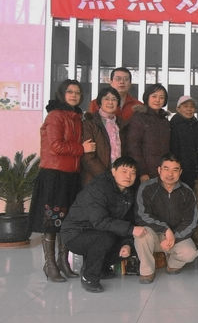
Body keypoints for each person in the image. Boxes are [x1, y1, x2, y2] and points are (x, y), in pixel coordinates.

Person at [30, 79, 96, 282]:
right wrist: (82, 149)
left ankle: (63, 261)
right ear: (62, 94)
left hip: (71, 176)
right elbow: (55, 146)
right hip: (54, 175)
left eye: (77, 92)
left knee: (66, 220)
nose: (74, 95)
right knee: (51, 221)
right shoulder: (55, 116)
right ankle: (50, 264)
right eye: (70, 92)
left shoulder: (77, 117)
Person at [61, 156, 146, 293]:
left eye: (132, 173)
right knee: (106, 238)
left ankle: (100, 268)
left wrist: (127, 244)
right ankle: (89, 276)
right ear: (113, 171)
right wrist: (131, 229)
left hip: (101, 231)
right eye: (124, 171)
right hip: (75, 234)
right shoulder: (98, 188)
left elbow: (128, 220)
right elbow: (100, 221)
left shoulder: (128, 192)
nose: (128, 176)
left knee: (134, 241)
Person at [134, 154, 198, 283]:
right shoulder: (147, 187)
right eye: (166, 169)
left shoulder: (187, 192)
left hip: (176, 236)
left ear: (180, 172)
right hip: (154, 234)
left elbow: (191, 221)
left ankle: (173, 264)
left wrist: (173, 237)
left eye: (175, 170)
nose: (170, 174)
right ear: (159, 170)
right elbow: (141, 215)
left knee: (190, 253)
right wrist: (165, 229)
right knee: (141, 235)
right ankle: (147, 271)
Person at [126, 83, 170, 182]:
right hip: (146, 172)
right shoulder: (139, 117)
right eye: (154, 96)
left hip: (163, 170)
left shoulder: (164, 120)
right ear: (147, 98)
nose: (157, 100)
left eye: (161, 97)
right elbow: (133, 147)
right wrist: (142, 172)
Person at [81, 86, 123, 186]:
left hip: (118, 176)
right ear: (100, 102)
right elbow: (88, 157)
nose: (110, 102)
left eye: (114, 99)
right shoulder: (90, 123)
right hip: (96, 178)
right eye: (106, 99)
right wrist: (105, 176)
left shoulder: (121, 124)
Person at [170, 95, 198, 189]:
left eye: (192, 107)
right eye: (185, 106)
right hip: (180, 171)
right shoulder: (172, 126)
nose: (189, 109)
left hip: (197, 172)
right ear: (178, 109)